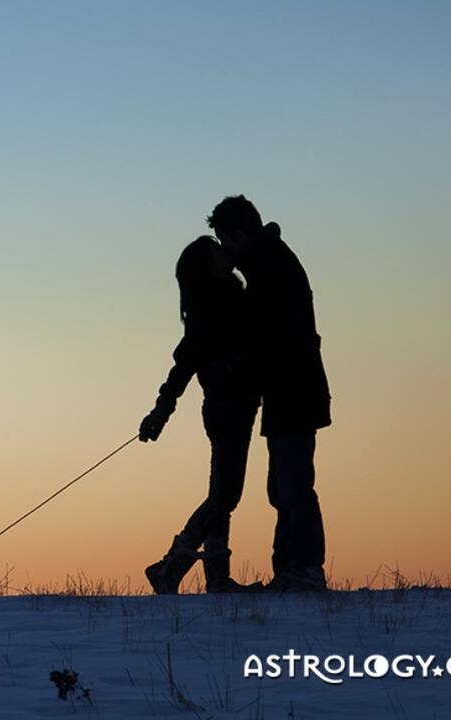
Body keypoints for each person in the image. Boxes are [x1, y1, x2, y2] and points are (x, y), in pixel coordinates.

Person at [206, 195, 331, 592]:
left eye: (226, 241)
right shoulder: (268, 262)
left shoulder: (269, 267)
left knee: (293, 484)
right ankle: (290, 569)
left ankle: (305, 569)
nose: (225, 251)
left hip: (294, 388)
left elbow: (270, 337)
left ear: (240, 234)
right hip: (288, 390)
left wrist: (240, 369)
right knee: (283, 485)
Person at [139, 236, 262, 594]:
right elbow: (185, 363)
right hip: (227, 406)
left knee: (222, 493)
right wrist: (163, 407)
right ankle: (170, 567)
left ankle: (217, 578)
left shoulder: (225, 298)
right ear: (207, 268)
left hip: (233, 404)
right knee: (225, 496)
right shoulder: (212, 306)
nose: (225, 254)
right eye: (217, 252)